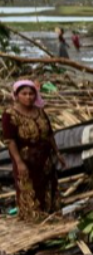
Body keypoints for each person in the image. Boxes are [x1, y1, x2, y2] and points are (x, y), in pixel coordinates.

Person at [2, 80, 64, 221]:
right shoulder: (10, 115)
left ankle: (50, 216)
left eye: (31, 94)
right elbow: (10, 141)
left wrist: (57, 153)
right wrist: (19, 162)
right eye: (24, 94)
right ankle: (32, 219)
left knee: (48, 187)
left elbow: (49, 134)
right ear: (16, 96)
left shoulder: (40, 112)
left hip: (45, 160)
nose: (28, 97)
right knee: (29, 190)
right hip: (26, 161)